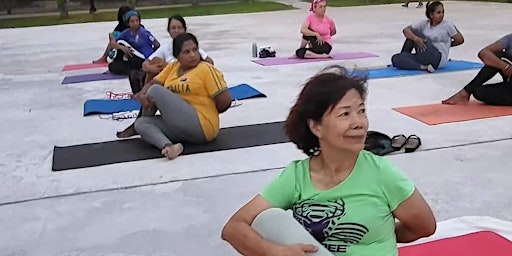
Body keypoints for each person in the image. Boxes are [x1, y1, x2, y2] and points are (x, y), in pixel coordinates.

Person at [221, 65, 436, 256]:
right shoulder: (297, 176)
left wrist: (379, 236)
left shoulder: (382, 173)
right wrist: (274, 252)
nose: (359, 122)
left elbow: (424, 226)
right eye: (345, 114)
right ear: (316, 127)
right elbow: (234, 227)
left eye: (361, 111)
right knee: (268, 219)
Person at [130, 33, 232, 159]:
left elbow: (225, 101)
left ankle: (152, 116)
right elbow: (152, 82)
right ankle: (169, 147)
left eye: (195, 50)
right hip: (180, 126)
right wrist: (142, 95)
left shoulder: (205, 69)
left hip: (202, 124)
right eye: (186, 52)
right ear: (177, 56)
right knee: (141, 123)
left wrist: (207, 110)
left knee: (155, 91)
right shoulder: (173, 67)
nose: (193, 55)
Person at [117, 14, 215, 138]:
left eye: (179, 27)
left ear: (184, 29)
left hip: (185, 84)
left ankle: (142, 117)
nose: (176, 31)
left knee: (154, 90)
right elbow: (146, 63)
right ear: (168, 31)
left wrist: (196, 68)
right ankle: (144, 123)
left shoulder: (191, 48)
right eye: (173, 28)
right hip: (168, 83)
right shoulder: (166, 48)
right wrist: (157, 68)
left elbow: (210, 63)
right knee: (146, 75)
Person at [391, 1, 464, 73]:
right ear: (431, 15)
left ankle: (415, 62)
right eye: (438, 13)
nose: (442, 15)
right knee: (395, 59)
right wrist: (416, 39)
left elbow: (460, 40)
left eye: (442, 12)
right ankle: (424, 67)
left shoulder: (447, 25)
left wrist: (447, 45)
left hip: (438, 58)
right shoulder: (424, 24)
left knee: (415, 32)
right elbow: (405, 30)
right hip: (424, 55)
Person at [442, 33, 512, 106]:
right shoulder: (510, 39)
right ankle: (466, 92)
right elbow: (483, 53)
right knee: (478, 92)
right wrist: (505, 67)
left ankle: (465, 92)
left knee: (500, 57)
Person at [108, 10, 161, 75]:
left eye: (137, 21)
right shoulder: (126, 33)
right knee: (113, 66)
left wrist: (152, 57)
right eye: (132, 21)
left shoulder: (143, 32)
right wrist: (122, 48)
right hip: (134, 58)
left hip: (144, 58)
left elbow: (157, 44)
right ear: (128, 23)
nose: (135, 23)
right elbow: (113, 39)